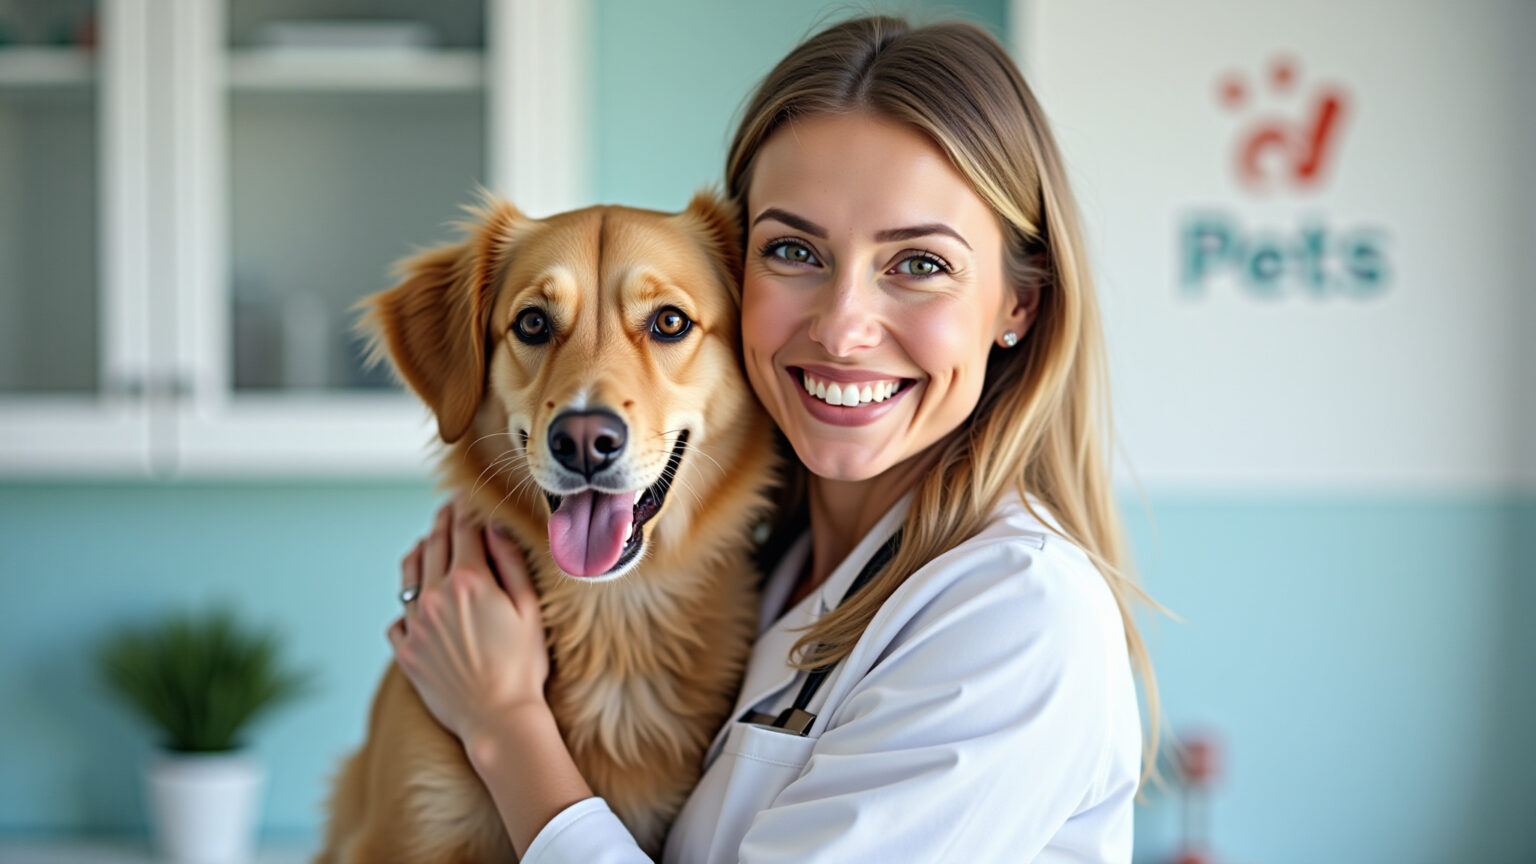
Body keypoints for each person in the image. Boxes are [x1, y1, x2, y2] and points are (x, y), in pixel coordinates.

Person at [386, 15, 1164, 864]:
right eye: (794, 249)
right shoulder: (770, 576)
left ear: (1020, 300)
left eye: (918, 263)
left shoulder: (1019, 615)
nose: (841, 329)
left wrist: (505, 727)